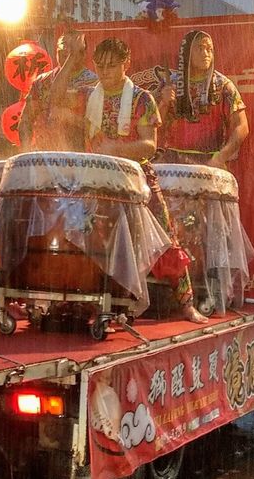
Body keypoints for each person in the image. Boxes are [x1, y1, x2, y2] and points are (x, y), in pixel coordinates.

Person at [84, 37, 205, 324]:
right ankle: (97, 305)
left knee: (165, 241)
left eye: (112, 66)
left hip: (137, 179)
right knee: (91, 241)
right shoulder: (89, 96)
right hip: (98, 179)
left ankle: (187, 304)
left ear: (126, 64)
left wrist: (116, 149)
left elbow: (149, 145)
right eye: (100, 66)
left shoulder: (141, 99)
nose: (105, 72)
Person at [156, 30, 249, 168]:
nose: (206, 54)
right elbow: (153, 127)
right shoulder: (169, 85)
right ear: (187, 53)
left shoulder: (223, 85)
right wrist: (163, 104)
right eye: (200, 48)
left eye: (209, 49)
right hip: (173, 161)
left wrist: (221, 157)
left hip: (211, 161)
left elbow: (242, 127)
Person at [18, 31, 96, 151]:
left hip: (81, 158)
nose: (66, 54)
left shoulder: (95, 84)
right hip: (45, 155)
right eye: (62, 49)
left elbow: (97, 127)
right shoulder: (41, 82)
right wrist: (25, 150)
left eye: (72, 50)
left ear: (84, 54)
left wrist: (71, 118)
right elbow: (26, 119)